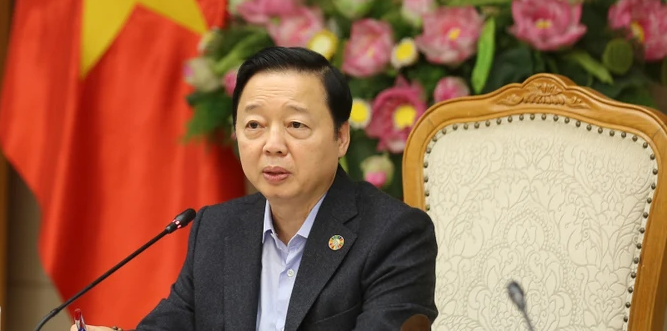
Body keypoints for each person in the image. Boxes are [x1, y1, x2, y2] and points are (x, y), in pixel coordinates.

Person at [74, 46, 437, 330]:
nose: (272, 144)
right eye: (254, 126)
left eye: (295, 125)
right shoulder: (217, 230)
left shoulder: (394, 233)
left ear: (341, 137)